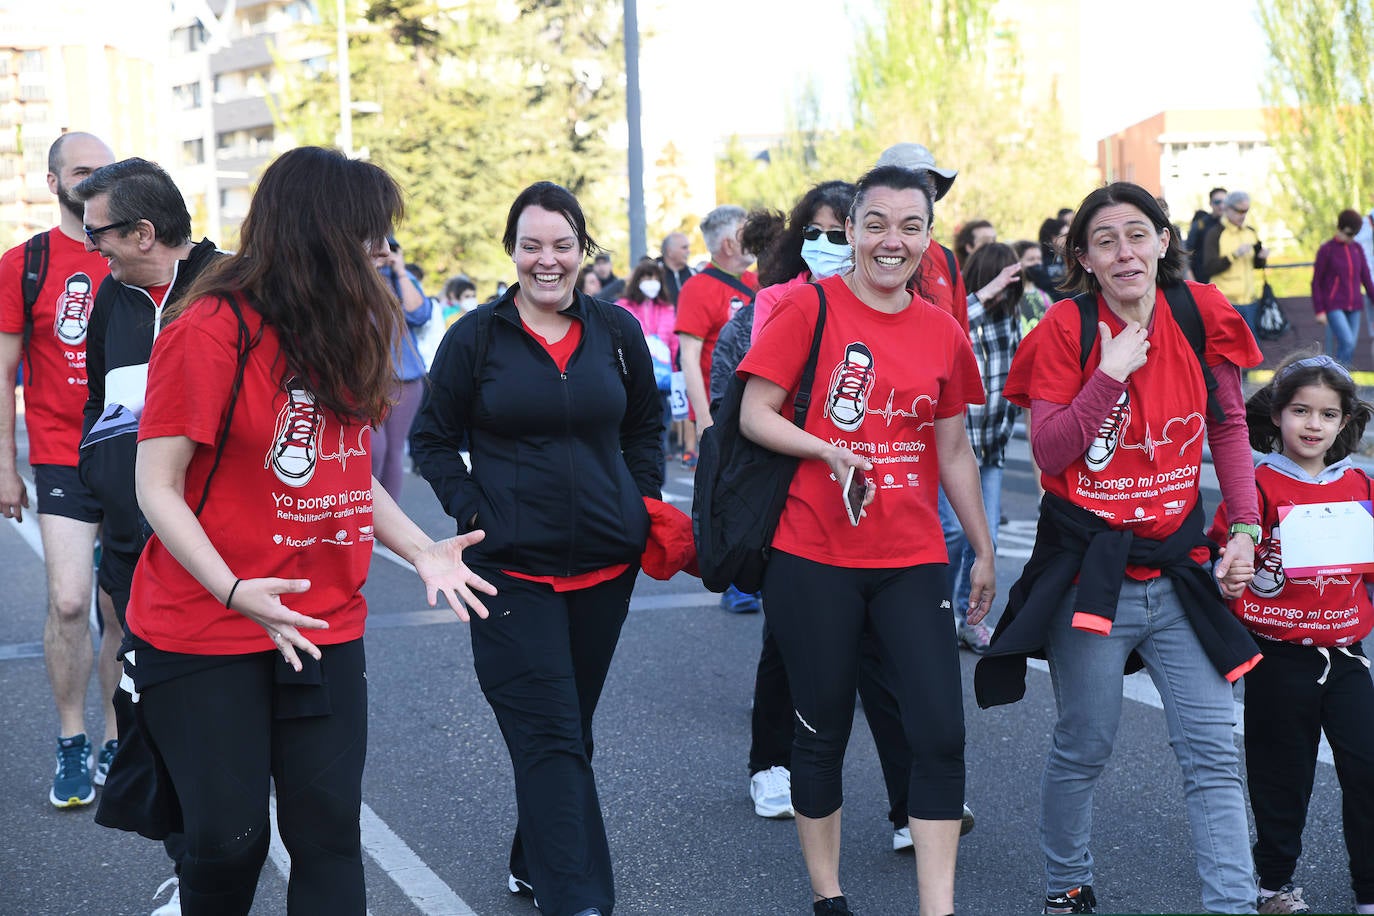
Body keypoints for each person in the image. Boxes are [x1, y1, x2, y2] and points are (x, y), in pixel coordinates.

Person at [114, 146, 494, 915]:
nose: (385, 251)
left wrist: (421, 547)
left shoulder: (347, 325)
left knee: (327, 837)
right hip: (205, 627)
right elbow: (155, 487)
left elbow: (346, 470)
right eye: (371, 234)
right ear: (319, 234)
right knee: (228, 842)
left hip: (322, 624)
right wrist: (233, 588)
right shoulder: (212, 328)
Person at [976, 181, 1266, 915]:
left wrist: (1244, 526)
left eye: (1138, 234)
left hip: (1178, 571)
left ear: (1165, 241)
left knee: (1214, 754)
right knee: (1086, 744)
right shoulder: (1064, 330)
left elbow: (1230, 427)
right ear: (1084, 258)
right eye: (1105, 240)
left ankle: (1231, 905)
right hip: (1089, 574)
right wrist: (1109, 374)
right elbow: (1049, 448)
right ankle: (1066, 886)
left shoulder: (1204, 315)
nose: (1125, 251)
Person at [738, 164, 992, 916]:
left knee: (941, 735)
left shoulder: (943, 331)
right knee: (820, 733)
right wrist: (826, 450)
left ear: (927, 238)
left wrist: (980, 547)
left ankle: (936, 908)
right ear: (849, 230)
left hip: (911, 559)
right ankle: (830, 898)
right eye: (875, 223)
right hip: (812, 555)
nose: (892, 240)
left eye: (909, 226)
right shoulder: (808, 309)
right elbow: (756, 413)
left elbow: (953, 452)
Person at [410, 180, 663, 916]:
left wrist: (640, 504)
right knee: (551, 732)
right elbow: (431, 438)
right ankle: (576, 898)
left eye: (561, 245)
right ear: (511, 250)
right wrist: (471, 512)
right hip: (511, 575)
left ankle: (533, 856)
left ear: (583, 251)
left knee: (566, 731)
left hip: (607, 568)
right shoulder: (476, 337)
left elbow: (643, 426)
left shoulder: (616, 333)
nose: (546, 260)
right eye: (531, 245)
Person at [73, 156, 226, 914]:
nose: (87, 242)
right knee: (155, 714)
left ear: (142, 231)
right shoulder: (113, 294)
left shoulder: (233, 286)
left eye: (97, 230)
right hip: (137, 545)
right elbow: (105, 402)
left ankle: (240, 841)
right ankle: (191, 863)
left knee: (231, 716)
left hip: (218, 549)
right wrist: (100, 486)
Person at [1208, 352, 1374, 916]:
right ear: (1276, 414)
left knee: (1368, 767)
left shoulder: (1359, 485)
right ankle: (1273, 885)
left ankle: (1369, 891)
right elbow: (1219, 557)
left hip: (1348, 656)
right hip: (1277, 659)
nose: (1312, 424)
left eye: (1327, 415)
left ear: (1344, 422)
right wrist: (1225, 572)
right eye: (1300, 410)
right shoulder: (1252, 484)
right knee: (1282, 777)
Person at [0, 131, 119, 808]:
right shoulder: (26, 263)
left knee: (119, 605)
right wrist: (2, 468)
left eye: (104, 169)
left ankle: (114, 739)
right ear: (54, 182)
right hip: (58, 454)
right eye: (81, 170)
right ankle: (72, 739)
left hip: (133, 456)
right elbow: (4, 373)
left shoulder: (137, 250)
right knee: (72, 600)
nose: (94, 178)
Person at [942, 243, 1022, 652]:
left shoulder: (1010, 319)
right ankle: (939, 613)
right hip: (955, 447)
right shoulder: (963, 315)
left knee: (983, 538)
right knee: (953, 531)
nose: (1011, 287)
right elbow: (951, 326)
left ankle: (967, 617)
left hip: (990, 449)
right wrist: (984, 293)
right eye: (1003, 278)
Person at [874, 142, 969, 333]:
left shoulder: (946, 258)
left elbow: (961, 338)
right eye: (910, 188)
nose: (921, 197)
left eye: (929, 189)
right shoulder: (859, 256)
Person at [371, 236, 431, 497]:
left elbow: (420, 314)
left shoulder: (402, 280)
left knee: (394, 451)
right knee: (373, 449)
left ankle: (384, 536)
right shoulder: (355, 278)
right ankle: (363, 523)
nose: (386, 252)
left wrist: (401, 271)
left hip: (404, 379)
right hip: (366, 378)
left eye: (392, 248)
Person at [616, 258, 678, 466]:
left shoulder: (667, 308)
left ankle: (656, 476)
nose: (651, 282)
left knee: (658, 429)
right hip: (631, 379)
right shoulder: (622, 307)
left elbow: (673, 342)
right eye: (646, 277)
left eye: (654, 277)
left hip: (661, 381)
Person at [1202, 189, 1270, 340]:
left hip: (1250, 301)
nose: (1243, 215)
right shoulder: (1215, 233)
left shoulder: (1250, 232)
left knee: (1253, 354)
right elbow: (1209, 267)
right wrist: (1234, 255)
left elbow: (1257, 265)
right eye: (1239, 211)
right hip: (1225, 302)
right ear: (1228, 208)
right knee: (1228, 352)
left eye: (1246, 211)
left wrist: (1262, 257)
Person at [1311, 209, 1374, 367]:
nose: (1350, 238)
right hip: (1334, 305)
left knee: (1350, 346)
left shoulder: (1357, 249)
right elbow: (1316, 282)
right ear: (1340, 228)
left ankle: (1339, 380)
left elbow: (1366, 278)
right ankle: (1339, 379)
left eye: (1354, 235)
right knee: (1347, 341)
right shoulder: (1327, 250)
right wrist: (1319, 310)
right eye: (1348, 233)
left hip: (1355, 305)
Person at [1187, 187, 1228, 283]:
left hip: (1227, 281)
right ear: (1210, 203)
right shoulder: (1200, 225)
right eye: (1217, 202)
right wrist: (1191, 277)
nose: (1221, 205)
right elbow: (1188, 252)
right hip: (1203, 279)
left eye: (1224, 202)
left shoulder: (1232, 225)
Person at [1024, 217, 1069, 299]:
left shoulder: (1067, 257)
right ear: (1053, 237)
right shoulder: (1038, 261)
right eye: (1065, 235)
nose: (1069, 239)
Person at [657, 231, 695, 303]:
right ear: (669, 251)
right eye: (684, 247)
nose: (689, 251)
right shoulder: (653, 273)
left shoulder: (694, 274)